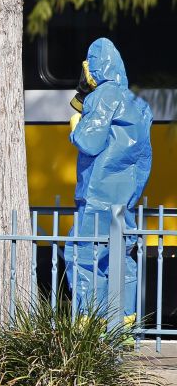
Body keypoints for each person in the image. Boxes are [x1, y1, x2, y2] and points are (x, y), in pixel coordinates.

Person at [64, 38, 153, 324]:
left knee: (84, 255)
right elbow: (144, 159)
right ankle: (124, 321)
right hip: (124, 198)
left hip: (97, 193)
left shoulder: (102, 96)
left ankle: (90, 320)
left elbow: (90, 142)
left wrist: (76, 127)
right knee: (120, 257)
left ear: (94, 68)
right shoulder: (139, 104)